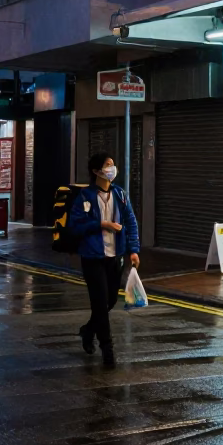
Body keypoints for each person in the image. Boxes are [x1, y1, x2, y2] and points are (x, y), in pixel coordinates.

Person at [69, 153, 140, 368]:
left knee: (109, 301)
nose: (112, 168)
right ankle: (107, 349)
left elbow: (131, 222)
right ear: (96, 171)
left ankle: (88, 330)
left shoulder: (120, 195)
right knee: (99, 302)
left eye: (112, 164)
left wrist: (133, 251)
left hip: (115, 256)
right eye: (108, 165)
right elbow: (75, 227)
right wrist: (102, 225)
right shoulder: (85, 197)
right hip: (93, 257)